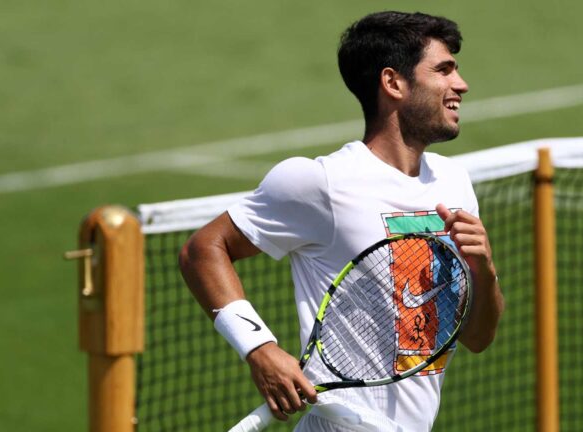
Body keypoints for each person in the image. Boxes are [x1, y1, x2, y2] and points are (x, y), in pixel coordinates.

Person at [179, 11, 504, 431]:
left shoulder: (453, 182)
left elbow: (477, 338)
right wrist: (259, 349)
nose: (461, 84)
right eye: (443, 70)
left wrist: (484, 269)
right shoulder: (321, 182)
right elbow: (203, 250)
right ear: (393, 83)